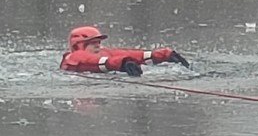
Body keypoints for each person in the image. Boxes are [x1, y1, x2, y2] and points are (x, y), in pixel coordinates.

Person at [60, 25, 190, 77]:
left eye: (99, 42)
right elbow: (93, 61)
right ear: (79, 45)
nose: (98, 46)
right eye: (93, 43)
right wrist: (122, 64)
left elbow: (130, 54)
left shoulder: (104, 53)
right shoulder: (74, 58)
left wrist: (163, 55)